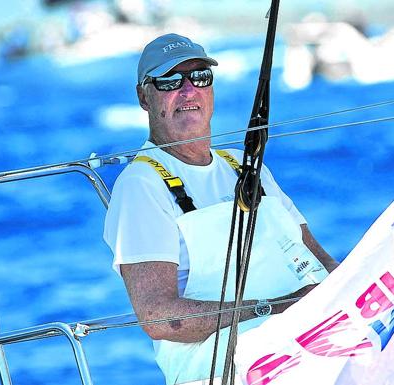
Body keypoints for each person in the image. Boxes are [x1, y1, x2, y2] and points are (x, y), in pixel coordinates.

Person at [104, 33, 338, 385]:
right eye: (170, 81)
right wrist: (279, 307)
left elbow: (318, 258)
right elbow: (159, 317)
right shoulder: (141, 185)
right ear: (143, 97)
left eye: (200, 77)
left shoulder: (243, 167)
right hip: (229, 372)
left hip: (312, 347)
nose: (188, 90)